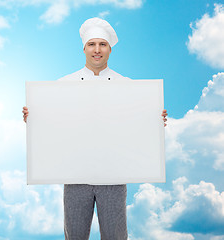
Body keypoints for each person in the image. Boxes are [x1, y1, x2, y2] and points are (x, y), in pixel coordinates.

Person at [23, 17, 168, 240]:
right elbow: (54, 124)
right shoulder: (63, 85)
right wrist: (34, 118)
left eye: (102, 44)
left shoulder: (127, 86)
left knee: (115, 236)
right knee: (75, 236)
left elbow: (136, 128)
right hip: (75, 175)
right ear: (84, 48)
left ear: (110, 49)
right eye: (92, 44)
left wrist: (154, 120)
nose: (97, 50)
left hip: (114, 176)